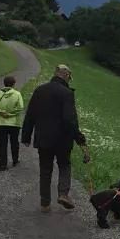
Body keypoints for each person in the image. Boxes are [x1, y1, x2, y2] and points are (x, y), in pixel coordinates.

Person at [22, 64, 87, 212]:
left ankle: (45, 203)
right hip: (62, 140)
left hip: (43, 138)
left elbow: (30, 115)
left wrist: (26, 136)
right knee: (64, 165)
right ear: (66, 75)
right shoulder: (67, 94)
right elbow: (70, 120)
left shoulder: (40, 90)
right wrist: (78, 137)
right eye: (69, 77)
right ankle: (63, 194)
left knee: (45, 169)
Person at [0, 75, 24, 171]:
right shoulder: (17, 94)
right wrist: (10, 114)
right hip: (14, 123)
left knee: (2, 144)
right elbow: (20, 107)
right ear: (13, 84)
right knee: (14, 142)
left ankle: (2, 165)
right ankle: (15, 160)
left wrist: (1, 112)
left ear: (4, 83)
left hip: (1, 122)